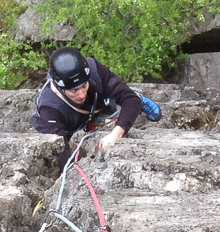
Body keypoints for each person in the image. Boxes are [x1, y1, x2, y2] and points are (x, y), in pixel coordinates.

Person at [30, 47, 160, 162]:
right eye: (74, 91)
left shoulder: (95, 71)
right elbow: (61, 150)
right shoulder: (50, 108)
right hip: (70, 117)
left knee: (120, 101)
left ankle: (137, 98)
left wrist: (116, 134)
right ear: (61, 88)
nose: (81, 94)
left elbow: (129, 99)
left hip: (96, 102)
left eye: (84, 86)